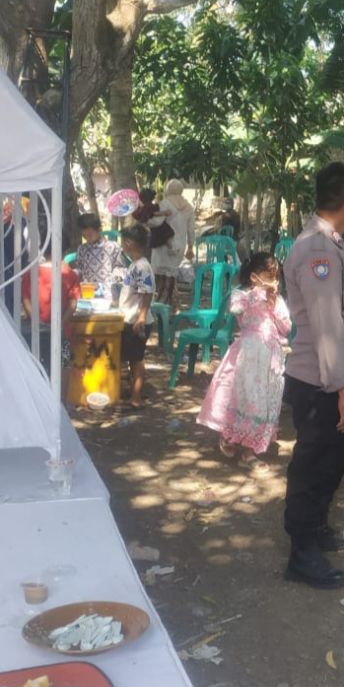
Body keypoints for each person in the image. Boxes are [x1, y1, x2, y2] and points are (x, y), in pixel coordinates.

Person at [280, 162, 344, 590]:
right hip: (322, 383)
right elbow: (326, 324)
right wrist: (343, 388)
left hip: (343, 379)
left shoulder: (337, 243)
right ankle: (301, 552)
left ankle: (317, 528)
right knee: (312, 464)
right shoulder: (318, 248)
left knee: (333, 462)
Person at [198, 251, 292, 469]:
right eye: (271, 276)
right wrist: (259, 294)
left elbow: (286, 327)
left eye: (276, 277)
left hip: (269, 359)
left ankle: (249, 452)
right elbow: (236, 309)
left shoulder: (276, 300)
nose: (275, 282)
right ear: (255, 277)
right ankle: (230, 436)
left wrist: (274, 304)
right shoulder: (242, 295)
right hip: (248, 357)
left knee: (262, 403)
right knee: (243, 399)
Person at [20, 248, 81, 377]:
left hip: (35, 332)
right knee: (63, 366)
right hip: (62, 333)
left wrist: (37, 321)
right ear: (64, 251)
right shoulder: (70, 274)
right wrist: (60, 324)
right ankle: (60, 397)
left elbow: (25, 300)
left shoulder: (30, 273)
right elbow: (73, 305)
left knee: (36, 368)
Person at [117, 224, 155, 409]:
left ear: (129, 243)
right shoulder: (135, 264)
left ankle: (136, 397)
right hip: (130, 318)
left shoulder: (142, 267)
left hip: (136, 321)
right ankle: (133, 392)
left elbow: (147, 293)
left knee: (136, 359)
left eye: (123, 241)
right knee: (132, 358)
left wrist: (141, 318)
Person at [151, 179, 196, 311]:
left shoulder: (164, 204)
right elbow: (191, 230)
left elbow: (155, 223)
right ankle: (171, 304)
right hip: (179, 246)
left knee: (160, 275)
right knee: (171, 275)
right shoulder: (188, 207)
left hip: (164, 244)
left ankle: (162, 304)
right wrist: (191, 246)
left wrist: (145, 219)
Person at [75, 213, 126, 289]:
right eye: (84, 236)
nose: (87, 238)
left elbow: (120, 268)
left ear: (99, 229)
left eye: (90, 235)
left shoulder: (112, 247)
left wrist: (114, 280)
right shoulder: (82, 249)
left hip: (108, 289)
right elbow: (79, 269)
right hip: (88, 290)